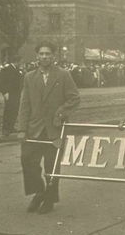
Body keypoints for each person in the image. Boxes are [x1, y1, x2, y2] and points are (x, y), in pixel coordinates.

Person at [17, 41, 80, 214]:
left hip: (54, 129)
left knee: (52, 166)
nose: (44, 57)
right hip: (34, 129)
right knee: (27, 160)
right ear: (37, 56)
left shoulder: (63, 75)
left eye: (48, 54)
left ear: (53, 56)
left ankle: (49, 200)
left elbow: (74, 98)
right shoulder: (30, 77)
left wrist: (60, 114)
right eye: (42, 54)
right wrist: (22, 128)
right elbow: (25, 104)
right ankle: (39, 192)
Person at [0, 55, 24, 136]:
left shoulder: (16, 70)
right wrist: (5, 92)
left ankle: (11, 127)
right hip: (10, 94)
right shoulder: (7, 69)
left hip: (16, 93)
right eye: (20, 62)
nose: (21, 64)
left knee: (14, 110)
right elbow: (2, 82)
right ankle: (6, 129)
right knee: (9, 110)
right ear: (16, 62)